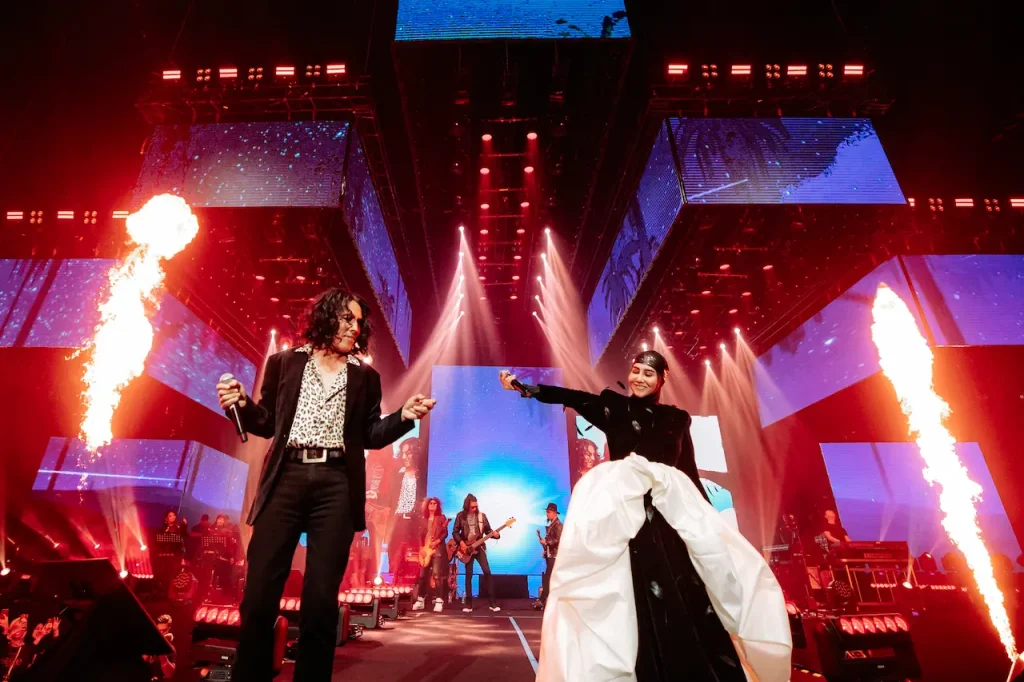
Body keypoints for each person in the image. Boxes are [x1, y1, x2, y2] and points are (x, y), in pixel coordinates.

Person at [500, 353, 790, 682]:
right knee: (631, 596)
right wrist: (524, 388)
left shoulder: (677, 419)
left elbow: (689, 473)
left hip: (669, 520)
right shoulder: (614, 408)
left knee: (688, 593)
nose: (639, 378)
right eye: (635, 371)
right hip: (627, 522)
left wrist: (709, 522)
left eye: (648, 373)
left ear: (663, 377)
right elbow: (573, 397)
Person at [216, 288, 436, 682]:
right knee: (259, 594)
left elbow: (370, 434)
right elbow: (267, 422)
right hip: (286, 477)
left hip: (336, 484)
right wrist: (242, 405)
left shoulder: (365, 376)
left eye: (359, 323)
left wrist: (403, 416)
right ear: (326, 317)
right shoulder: (284, 363)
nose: (355, 328)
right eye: (348, 319)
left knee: (320, 601)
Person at [451, 494, 501, 613]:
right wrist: (462, 543)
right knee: (469, 575)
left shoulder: (482, 516)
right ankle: (469, 605)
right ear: (467, 506)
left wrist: (496, 535)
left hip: (479, 547)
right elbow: (455, 532)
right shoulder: (460, 516)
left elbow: (488, 531)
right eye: (472, 507)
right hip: (466, 549)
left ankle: (492, 603)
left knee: (487, 572)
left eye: (476, 506)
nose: (475, 508)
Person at [413, 497, 448, 613]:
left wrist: (437, 542)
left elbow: (445, 533)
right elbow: (419, 535)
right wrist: (420, 548)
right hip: (425, 550)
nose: (432, 505)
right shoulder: (423, 519)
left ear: (438, 506)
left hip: (437, 550)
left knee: (436, 575)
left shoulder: (441, 518)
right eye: (431, 503)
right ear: (427, 505)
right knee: (422, 576)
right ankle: (420, 600)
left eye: (435, 503)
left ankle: (439, 600)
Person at [535, 502, 562, 610]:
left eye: (549, 512)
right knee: (549, 578)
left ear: (555, 513)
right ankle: (544, 600)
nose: (547, 514)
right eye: (547, 512)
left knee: (548, 578)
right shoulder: (552, 525)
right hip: (550, 555)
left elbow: (558, 540)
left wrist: (546, 542)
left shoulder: (558, 525)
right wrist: (545, 550)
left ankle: (542, 600)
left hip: (555, 556)